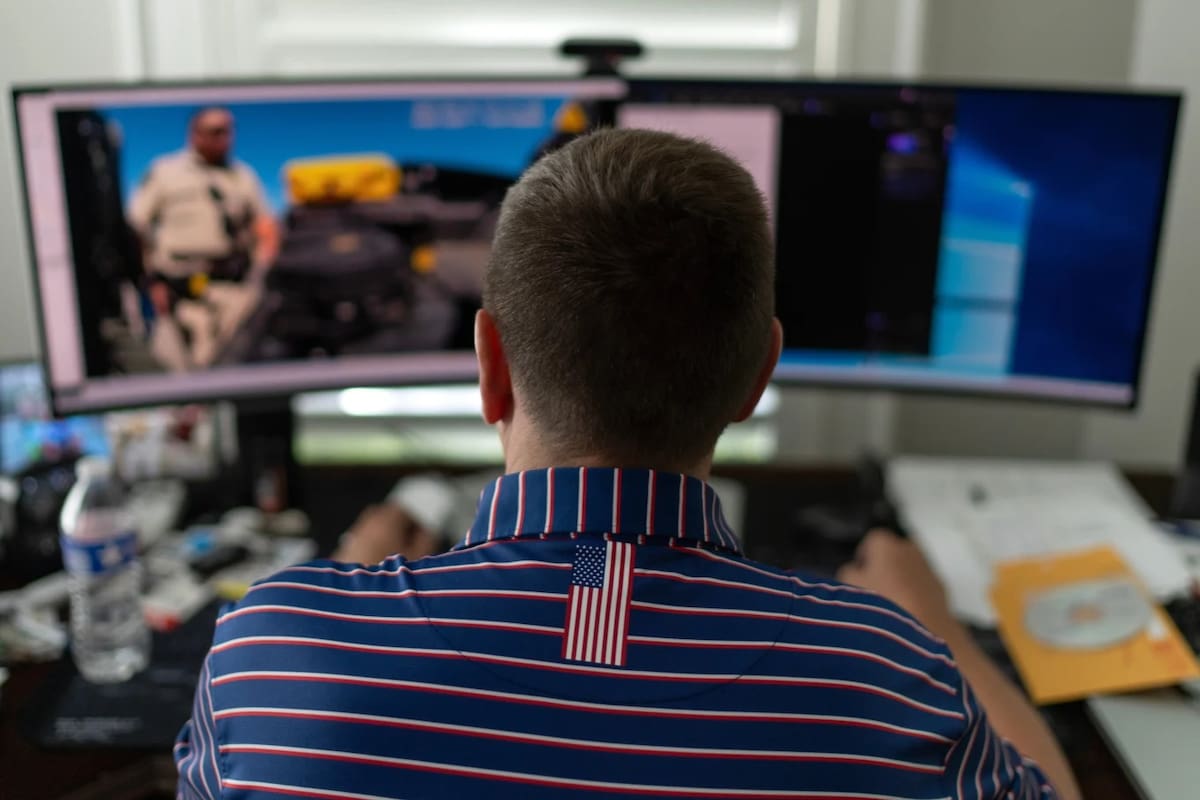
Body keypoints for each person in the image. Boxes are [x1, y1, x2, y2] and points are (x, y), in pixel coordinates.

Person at [175, 129, 1081, 800]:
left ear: (490, 366)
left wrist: (350, 574)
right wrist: (938, 629)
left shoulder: (270, 655)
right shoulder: (890, 681)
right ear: (755, 377)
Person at [128, 107, 279, 372]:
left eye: (228, 130)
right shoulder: (165, 171)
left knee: (234, 367)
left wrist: (261, 278)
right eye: (215, 131)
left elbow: (265, 227)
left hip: (234, 292)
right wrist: (149, 282)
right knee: (177, 372)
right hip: (178, 292)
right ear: (195, 134)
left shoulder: (243, 176)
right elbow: (136, 228)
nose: (224, 137)